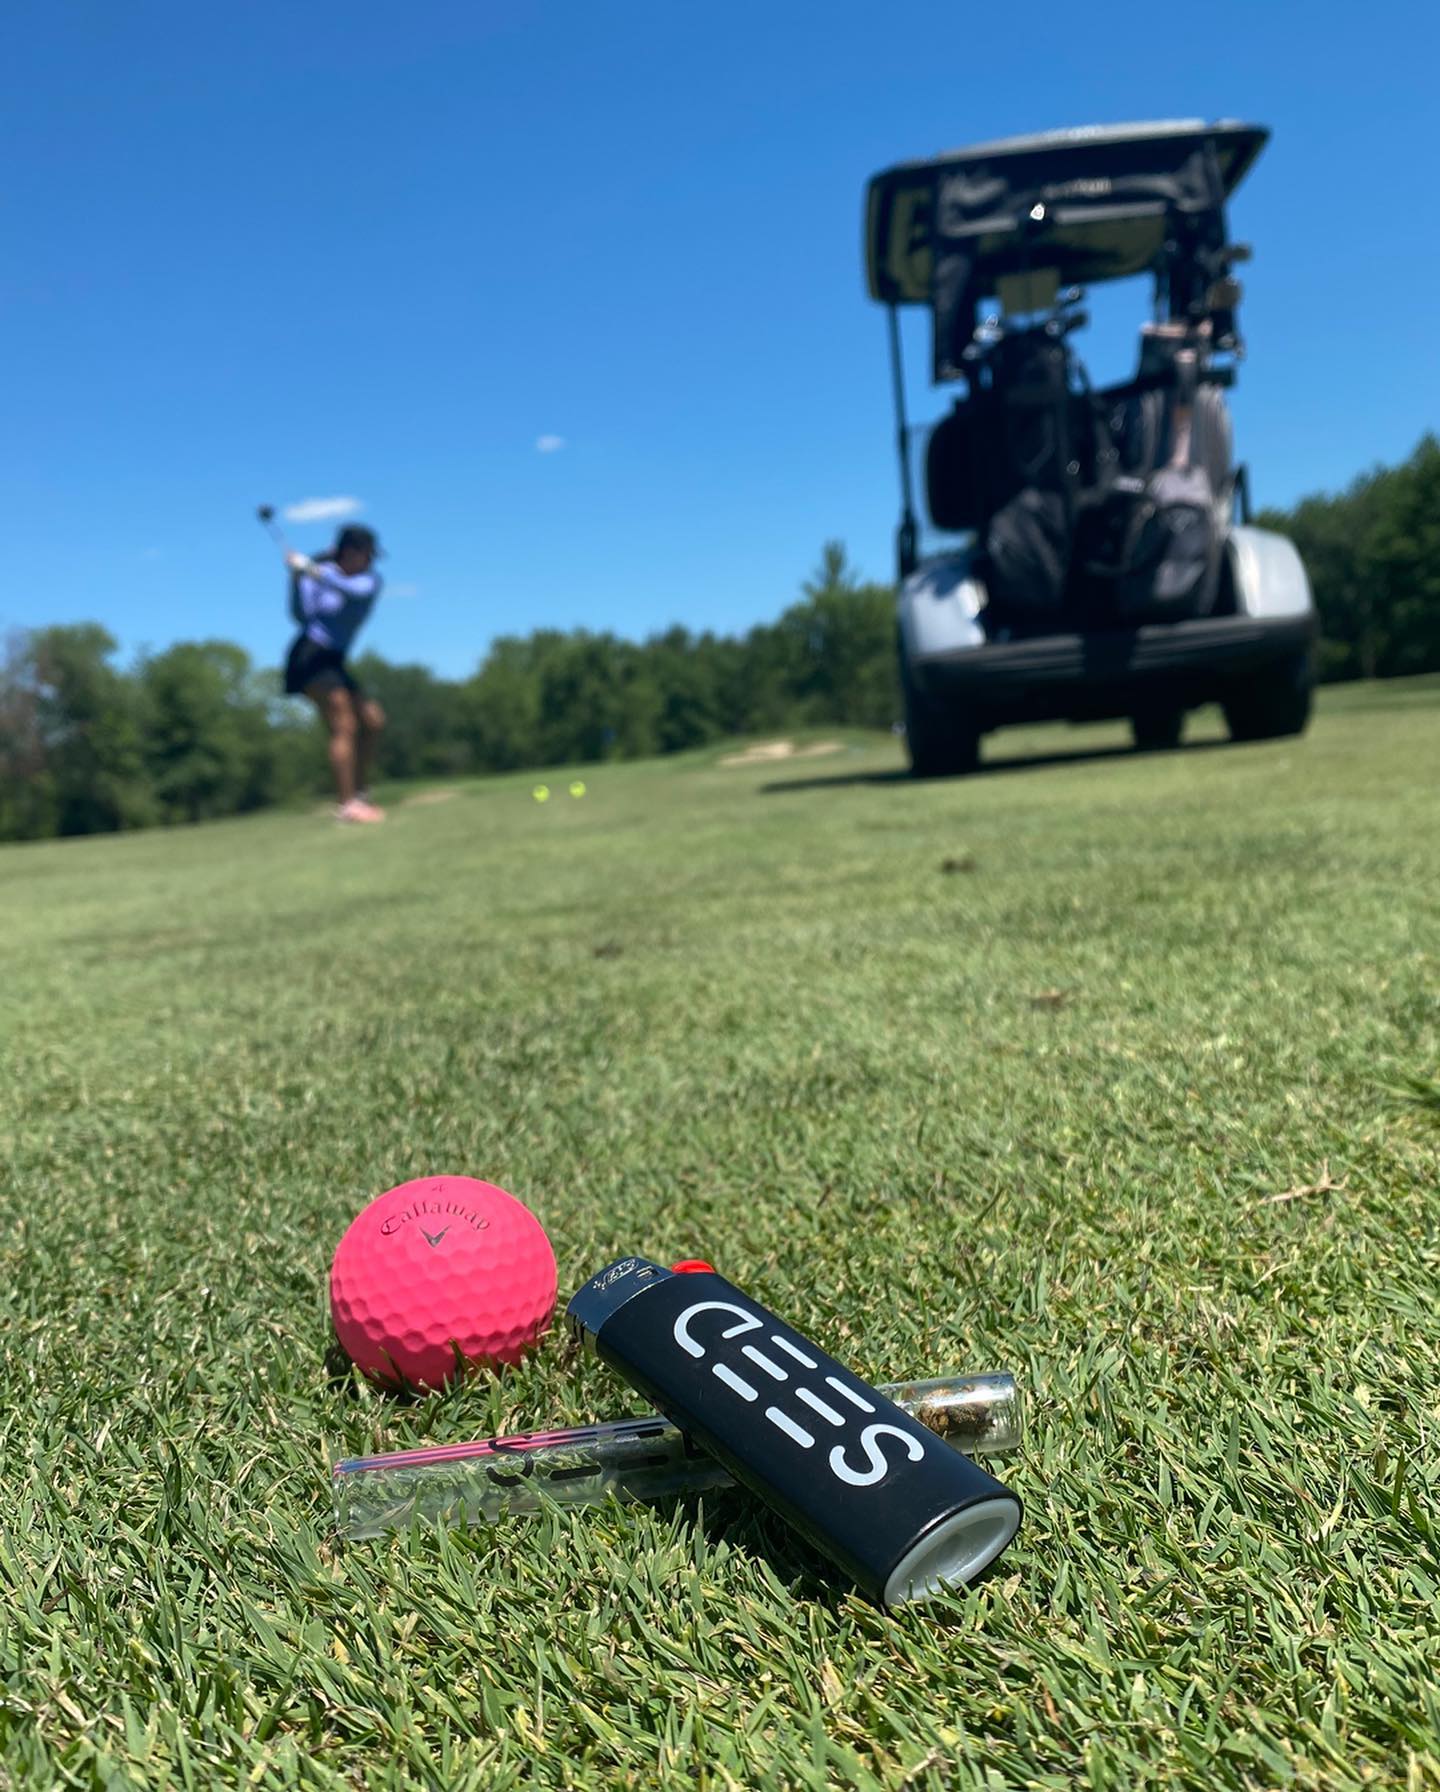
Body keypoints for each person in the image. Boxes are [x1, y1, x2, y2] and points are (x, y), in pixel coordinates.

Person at [282, 523, 388, 823]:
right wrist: (296, 577)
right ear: (349, 552)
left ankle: (360, 791)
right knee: (344, 724)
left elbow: (346, 589)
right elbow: (300, 615)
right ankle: (347, 805)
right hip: (310, 655)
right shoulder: (320, 575)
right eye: (366, 554)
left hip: (336, 659)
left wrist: (312, 567)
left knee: (373, 721)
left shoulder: (369, 581)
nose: (370, 561)